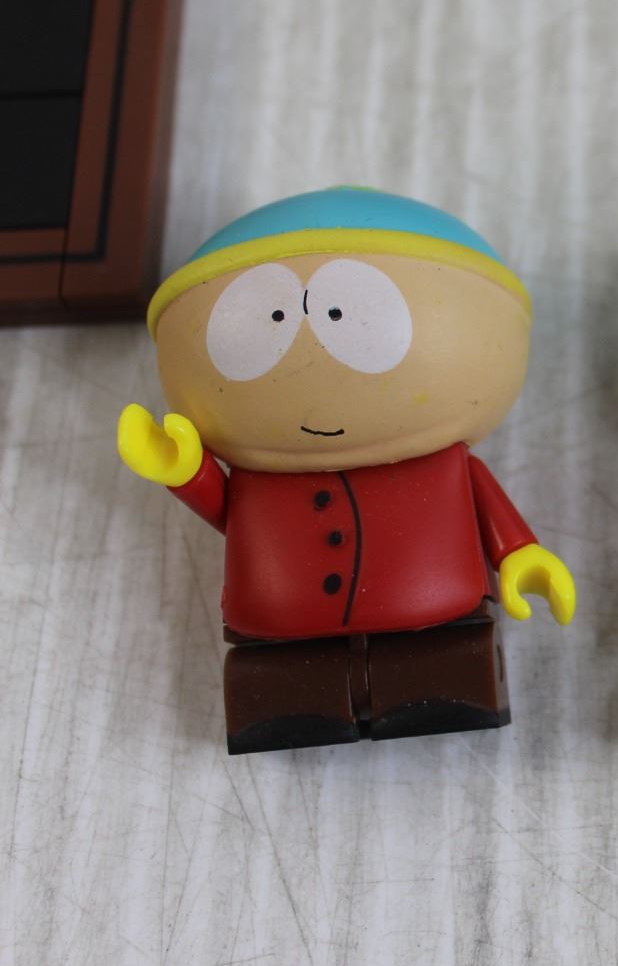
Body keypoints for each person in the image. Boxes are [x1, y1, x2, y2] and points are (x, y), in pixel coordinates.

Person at [117, 187, 576, 753]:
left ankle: (443, 697)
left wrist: (520, 554)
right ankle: (290, 714)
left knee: (442, 673)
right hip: (280, 627)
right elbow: (228, 512)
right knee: (284, 694)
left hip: (435, 613)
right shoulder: (261, 472)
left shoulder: (440, 458)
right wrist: (183, 469)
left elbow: (485, 502)